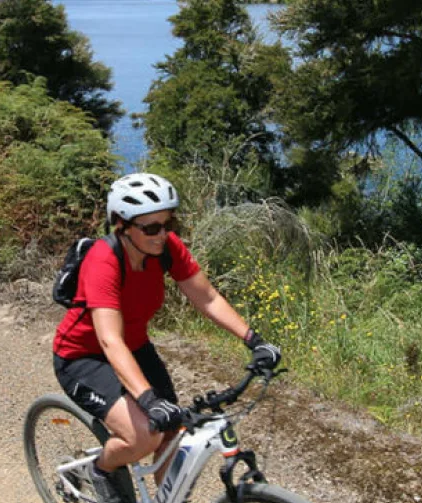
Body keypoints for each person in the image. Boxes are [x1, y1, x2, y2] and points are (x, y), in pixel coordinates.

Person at [52, 172, 282, 502]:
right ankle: (98, 470)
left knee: (171, 433)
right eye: (151, 228)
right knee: (143, 436)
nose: (163, 234)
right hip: (83, 356)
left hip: (134, 347)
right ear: (122, 225)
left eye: (168, 224)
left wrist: (254, 340)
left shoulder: (165, 249)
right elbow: (109, 340)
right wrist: (147, 400)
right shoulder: (102, 260)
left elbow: (208, 298)